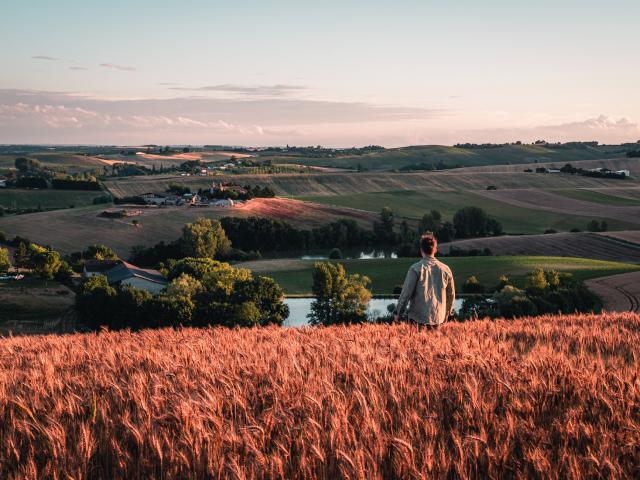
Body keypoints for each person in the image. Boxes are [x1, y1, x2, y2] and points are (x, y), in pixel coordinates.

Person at [393, 232, 455, 328]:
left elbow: (406, 294)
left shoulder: (415, 269)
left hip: (417, 320)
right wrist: (446, 313)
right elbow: (450, 295)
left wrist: (398, 313)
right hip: (438, 319)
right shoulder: (446, 269)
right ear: (435, 249)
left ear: (421, 249)